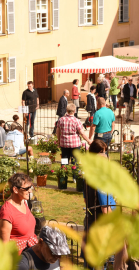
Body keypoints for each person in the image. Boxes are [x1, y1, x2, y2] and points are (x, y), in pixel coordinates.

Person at [82, 140, 116, 269]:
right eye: (101, 152)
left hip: (91, 217)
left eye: (105, 152)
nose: (105, 155)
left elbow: (86, 199)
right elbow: (105, 207)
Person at [0, 173, 37, 254]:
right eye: (27, 189)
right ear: (15, 190)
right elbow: (4, 245)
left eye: (30, 188)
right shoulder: (7, 211)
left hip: (30, 252)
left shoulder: (23, 201)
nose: (30, 191)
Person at [57, 104, 92, 182]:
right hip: (75, 144)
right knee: (75, 161)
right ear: (74, 111)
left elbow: (58, 131)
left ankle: (63, 177)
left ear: (67, 110)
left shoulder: (61, 119)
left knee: (64, 160)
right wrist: (88, 140)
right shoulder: (76, 121)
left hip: (64, 143)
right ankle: (74, 177)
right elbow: (82, 133)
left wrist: (58, 141)